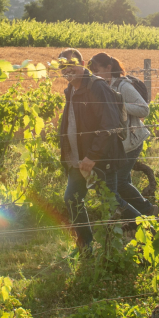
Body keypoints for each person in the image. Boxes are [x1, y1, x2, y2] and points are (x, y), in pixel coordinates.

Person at [57, 48, 126, 254]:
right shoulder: (71, 89)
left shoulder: (96, 87)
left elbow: (110, 125)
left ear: (82, 62)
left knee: (110, 203)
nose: (67, 69)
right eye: (62, 66)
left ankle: (136, 234)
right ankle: (85, 246)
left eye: (71, 64)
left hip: (99, 158)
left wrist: (92, 156)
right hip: (78, 159)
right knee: (72, 198)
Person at [87, 52, 157, 231]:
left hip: (132, 142)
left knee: (119, 183)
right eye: (92, 71)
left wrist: (118, 105)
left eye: (97, 70)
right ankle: (148, 212)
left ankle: (140, 220)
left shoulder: (123, 86)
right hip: (120, 144)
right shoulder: (103, 86)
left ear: (108, 68)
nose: (94, 74)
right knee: (124, 181)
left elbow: (144, 110)